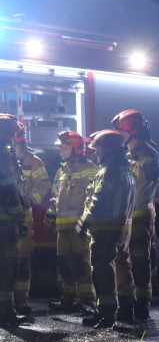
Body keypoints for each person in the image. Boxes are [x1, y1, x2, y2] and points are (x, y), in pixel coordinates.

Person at [77, 129, 134, 328]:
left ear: (109, 150)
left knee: (101, 269)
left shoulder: (108, 171)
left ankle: (105, 313)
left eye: (98, 149)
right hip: (122, 227)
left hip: (105, 229)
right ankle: (127, 308)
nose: (96, 153)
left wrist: (83, 223)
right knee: (122, 266)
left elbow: (98, 200)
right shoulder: (127, 171)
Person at [111, 109, 159, 321]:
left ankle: (142, 307)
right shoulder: (130, 153)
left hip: (141, 217)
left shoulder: (148, 152)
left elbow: (151, 174)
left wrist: (126, 163)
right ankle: (125, 305)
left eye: (121, 132)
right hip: (127, 217)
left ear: (132, 130)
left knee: (140, 263)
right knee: (123, 262)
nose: (119, 136)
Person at [48, 131, 98, 314]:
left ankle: (87, 300)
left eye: (64, 147)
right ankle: (67, 298)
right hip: (63, 226)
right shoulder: (61, 171)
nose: (61, 150)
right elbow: (55, 195)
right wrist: (51, 210)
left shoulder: (89, 168)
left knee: (81, 262)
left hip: (79, 225)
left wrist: (86, 221)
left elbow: (92, 196)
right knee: (64, 263)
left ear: (76, 149)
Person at [12, 121, 52, 315]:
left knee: (23, 261)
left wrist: (30, 201)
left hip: (23, 219)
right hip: (5, 219)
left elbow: (44, 186)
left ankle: (21, 302)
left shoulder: (33, 162)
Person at [0, 114, 27, 326]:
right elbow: (8, 191)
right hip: (5, 224)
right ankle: (6, 312)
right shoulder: (3, 156)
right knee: (7, 268)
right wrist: (20, 218)